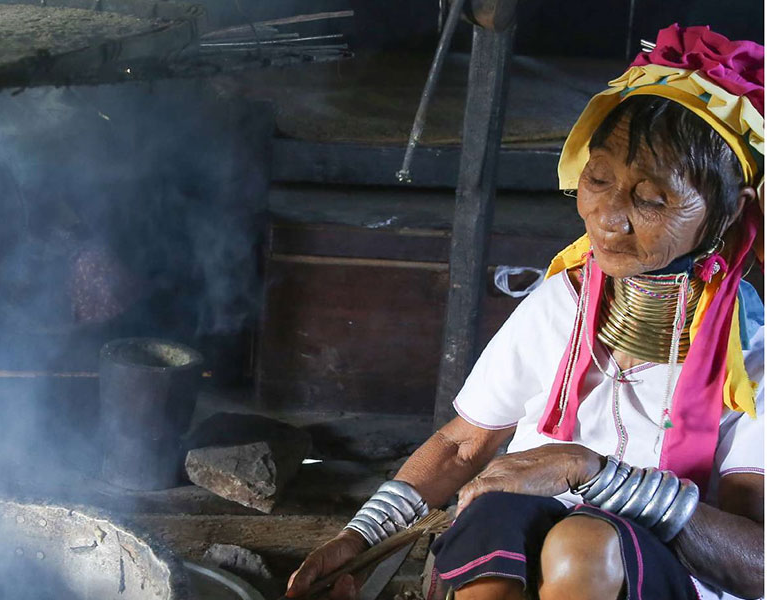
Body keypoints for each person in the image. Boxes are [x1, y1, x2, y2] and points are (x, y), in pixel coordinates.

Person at [286, 24, 765, 600]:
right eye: (599, 179)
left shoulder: (752, 351)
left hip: (658, 577)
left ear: (730, 212)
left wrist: (589, 472)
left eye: (651, 199)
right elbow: (465, 445)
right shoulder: (562, 301)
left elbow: (756, 564)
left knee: (582, 543)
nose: (608, 217)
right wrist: (359, 539)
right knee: (495, 513)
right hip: (523, 552)